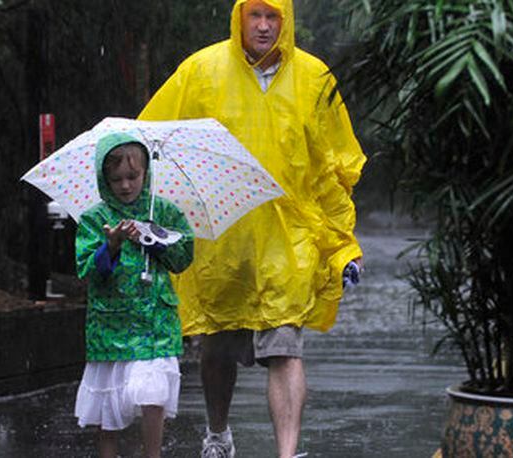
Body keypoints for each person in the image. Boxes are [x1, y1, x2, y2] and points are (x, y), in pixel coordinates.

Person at [138, 0, 366, 456]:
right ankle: (218, 433)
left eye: (273, 16)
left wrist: (343, 247)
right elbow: (153, 141)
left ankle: (287, 452)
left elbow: (331, 171)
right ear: (239, 17)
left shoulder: (314, 78)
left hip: (289, 241)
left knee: (285, 347)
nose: (264, 27)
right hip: (222, 240)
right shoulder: (201, 71)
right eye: (255, 15)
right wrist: (154, 217)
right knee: (218, 349)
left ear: (287, 20)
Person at [73, 133, 195, 458]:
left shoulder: (163, 212)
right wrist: (110, 245)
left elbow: (183, 258)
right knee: (107, 407)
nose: (126, 186)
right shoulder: (94, 220)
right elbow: (87, 270)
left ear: (146, 173)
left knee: (153, 394)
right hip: (111, 327)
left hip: (155, 322)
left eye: (133, 177)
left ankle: (151, 455)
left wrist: (154, 240)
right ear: (104, 179)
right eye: (117, 179)